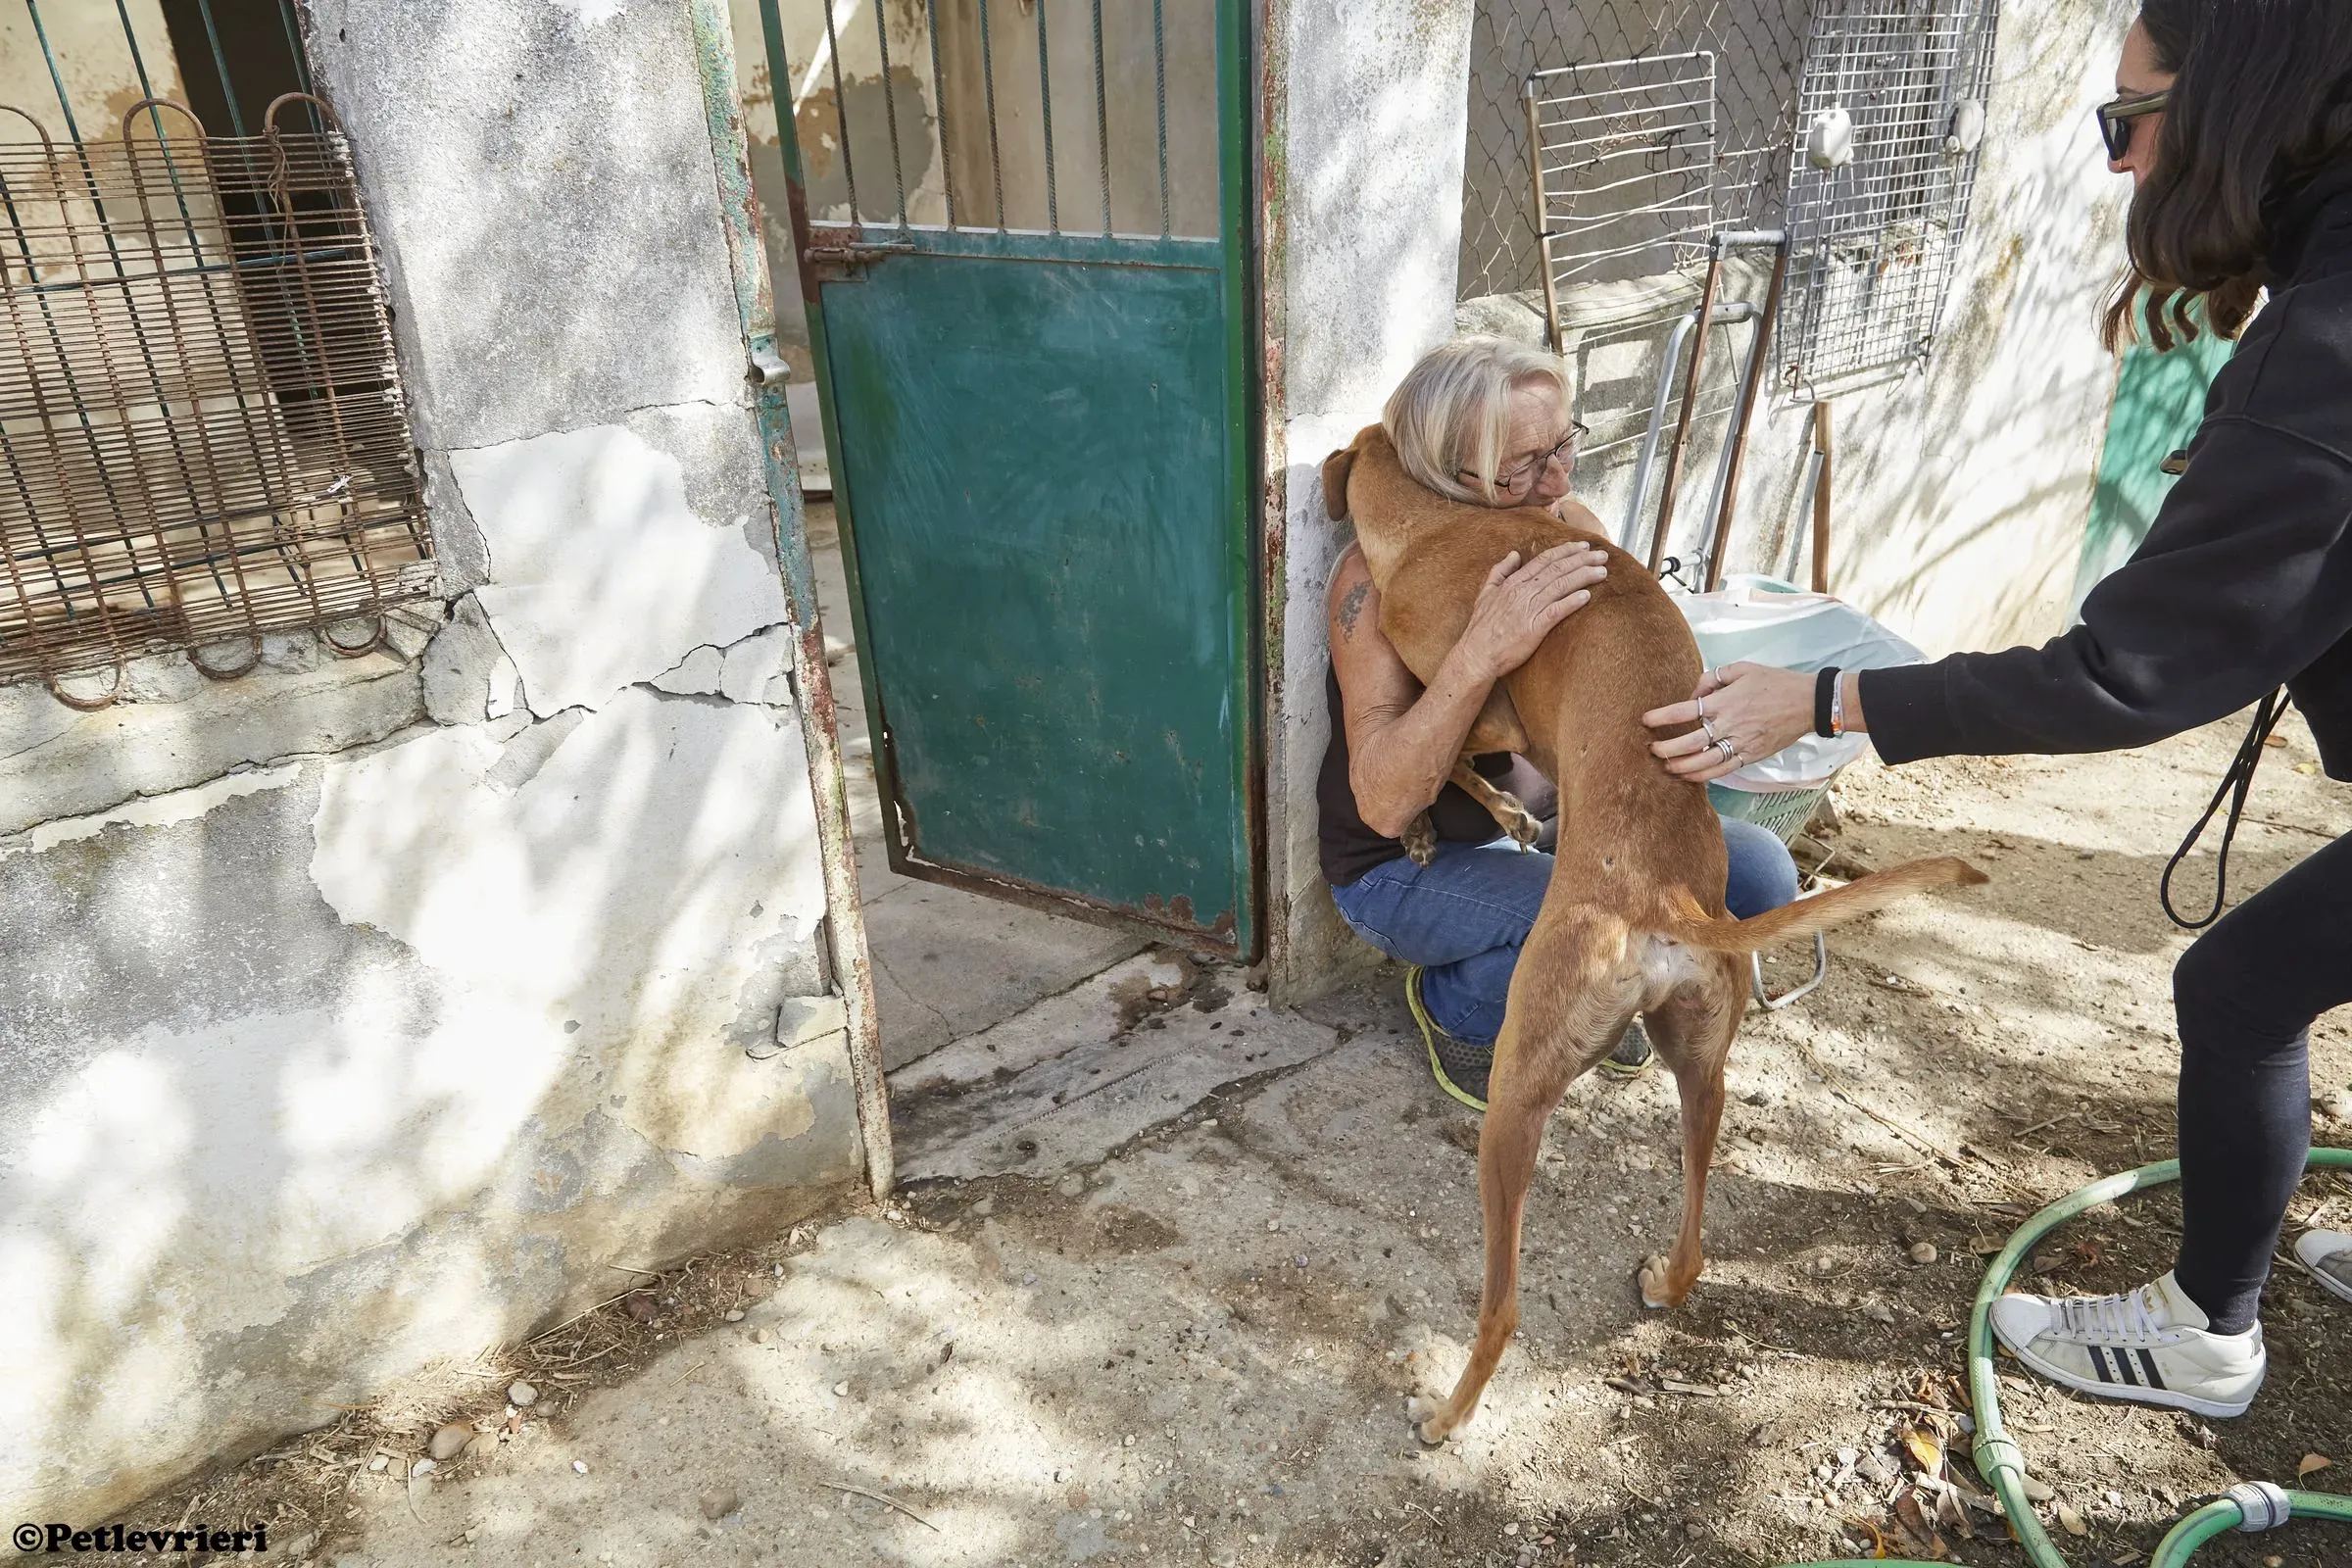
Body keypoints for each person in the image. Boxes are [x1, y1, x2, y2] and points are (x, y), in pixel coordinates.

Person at [1641, 0, 2352, 1420]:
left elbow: (2123, 674)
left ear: (2232, 107)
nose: (2119, 162)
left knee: (2238, 989)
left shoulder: (2324, 350)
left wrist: (1826, 696)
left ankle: (2206, 1334)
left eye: (2127, 120)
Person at [1323, 338, 1799, 1112]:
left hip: (1545, 834)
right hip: (1405, 867)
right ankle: (1456, 1005)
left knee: (1759, 870)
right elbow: (1383, 804)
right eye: (1524, 465)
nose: (1559, 480)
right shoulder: (1378, 578)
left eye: (1563, 445)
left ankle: (1594, 989)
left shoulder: (1564, 524)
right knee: (1598, 931)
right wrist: (1481, 651)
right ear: (1447, 472)